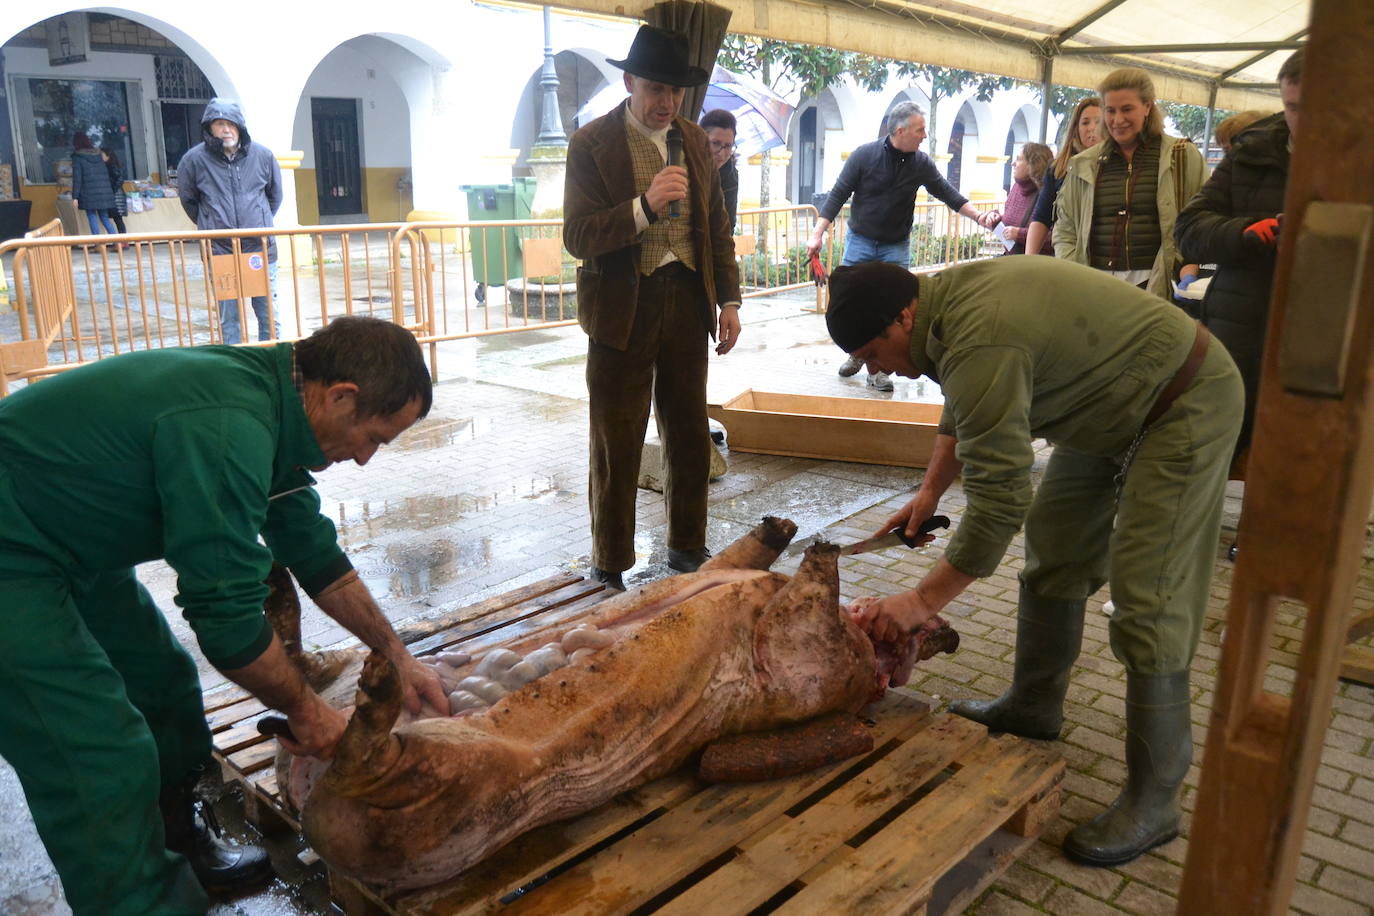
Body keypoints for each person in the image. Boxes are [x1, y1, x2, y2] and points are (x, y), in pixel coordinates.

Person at [0, 316, 448, 914]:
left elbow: (314, 553)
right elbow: (228, 622)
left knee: (163, 687)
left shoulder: (281, 409)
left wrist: (398, 657)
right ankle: (139, 902)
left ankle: (177, 841)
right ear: (341, 395)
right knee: (97, 753)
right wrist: (307, 711)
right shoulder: (229, 426)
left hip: (68, 540)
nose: (365, 459)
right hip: (11, 549)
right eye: (373, 437)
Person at [827, 258, 1241, 868]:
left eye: (874, 351)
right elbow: (962, 410)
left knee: (1150, 598)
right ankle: (1035, 704)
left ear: (903, 315)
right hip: (1104, 413)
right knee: (1053, 555)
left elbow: (1001, 501)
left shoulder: (980, 329)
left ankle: (1156, 801)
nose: (878, 367)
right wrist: (930, 494)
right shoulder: (940, 315)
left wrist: (919, 603)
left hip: (1181, 401)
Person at [563, 26, 741, 592]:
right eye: (656, 89)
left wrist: (730, 298)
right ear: (629, 82)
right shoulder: (590, 143)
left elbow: (716, 228)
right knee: (616, 436)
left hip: (688, 299)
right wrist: (643, 206)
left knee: (689, 430)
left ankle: (688, 543)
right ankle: (610, 558)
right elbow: (577, 235)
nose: (666, 102)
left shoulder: (692, 139)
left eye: (676, 92)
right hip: (622, 307)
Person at [806, 101, 1000, 391]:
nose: (924, 136)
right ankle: (858, 355)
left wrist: (980, 217)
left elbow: (949, 194)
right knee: (855, 306)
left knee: (893, 310)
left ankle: (880, 370)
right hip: (860, 242)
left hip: (895, 247)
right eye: (920, 130)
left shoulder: (921, 163)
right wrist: (817, 233)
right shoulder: (864, 155)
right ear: (900, 130)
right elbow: (838, 194)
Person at [1176, 49, 1302, 463]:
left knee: (1299, 464)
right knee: (1214, 453)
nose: (1305, 121)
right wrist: (1248, 233)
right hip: (1239, 334)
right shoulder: (1251, 153)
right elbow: (1189, 229)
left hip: (1319, 345)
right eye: (1293, 107)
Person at [1054, 69, 1204, 299]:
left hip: (1157, 289)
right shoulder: (1084, 164)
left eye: (1127, 109)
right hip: (1095, 289)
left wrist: (1188, 266)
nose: (1117, 120)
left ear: (1147, 106)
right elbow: (1066, 229)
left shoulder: (1181, 156)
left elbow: (1201, 219)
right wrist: (1074, 272)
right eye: (1110, 110)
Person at [177, 99, 282, 344]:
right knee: (229, 318)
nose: (226, 130)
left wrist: (258, 219)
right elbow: (189, 201)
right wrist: (212, 223)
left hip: (259, 248)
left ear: (240, 127)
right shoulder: (194, 160)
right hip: (220, 250)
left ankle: (271, 358)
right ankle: (233, 366)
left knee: (269, 314)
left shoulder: (263, 156)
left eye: (231, 124)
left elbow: (274, 196)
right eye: (220, 124)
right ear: (209, 128)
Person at [1025, 96, 1101, 257]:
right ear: (1076, 128)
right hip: (1069, 258)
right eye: (1085, 122)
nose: (1092, 128)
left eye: (1099, 122)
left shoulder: (1117, 167)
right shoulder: (1058, 169)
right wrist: (1029, 260)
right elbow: (1041, 218)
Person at [1000, 142, 1054, 255]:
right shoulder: (1016, 188)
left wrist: (1019, 234)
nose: (1013, 163)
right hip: (1012, 262)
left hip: (1038, 266)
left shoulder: (1049, 192)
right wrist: (995, 218)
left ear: (1033, 164)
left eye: (1019, 159)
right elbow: (1011, 222)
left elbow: (1055, 237)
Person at [70, 132, 118, 237]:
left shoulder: (78, 158)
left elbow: (77, 178)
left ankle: (98, 244)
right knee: (104, 217)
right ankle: (117, 241)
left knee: (92, 216)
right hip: (103, 192)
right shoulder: (99, 156)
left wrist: (75, 197)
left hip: (89, 193)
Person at [700, 108, 739, 233]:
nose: (722, 154)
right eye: (716, 143)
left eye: (728, 146)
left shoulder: (730, 173)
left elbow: (729, 224)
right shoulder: (683, 164)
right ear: (700, 139)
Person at [101, 144, 129, 236]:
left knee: (118, 219)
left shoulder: (111, 166)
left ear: (108, 156)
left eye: (102, 155)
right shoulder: (113, 165)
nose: (101, 157)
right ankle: (123, 241)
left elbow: (119, 179)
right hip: (117, 195)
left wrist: (112, 190)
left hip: (116, 196)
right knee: (118, 219)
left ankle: (123, 241)